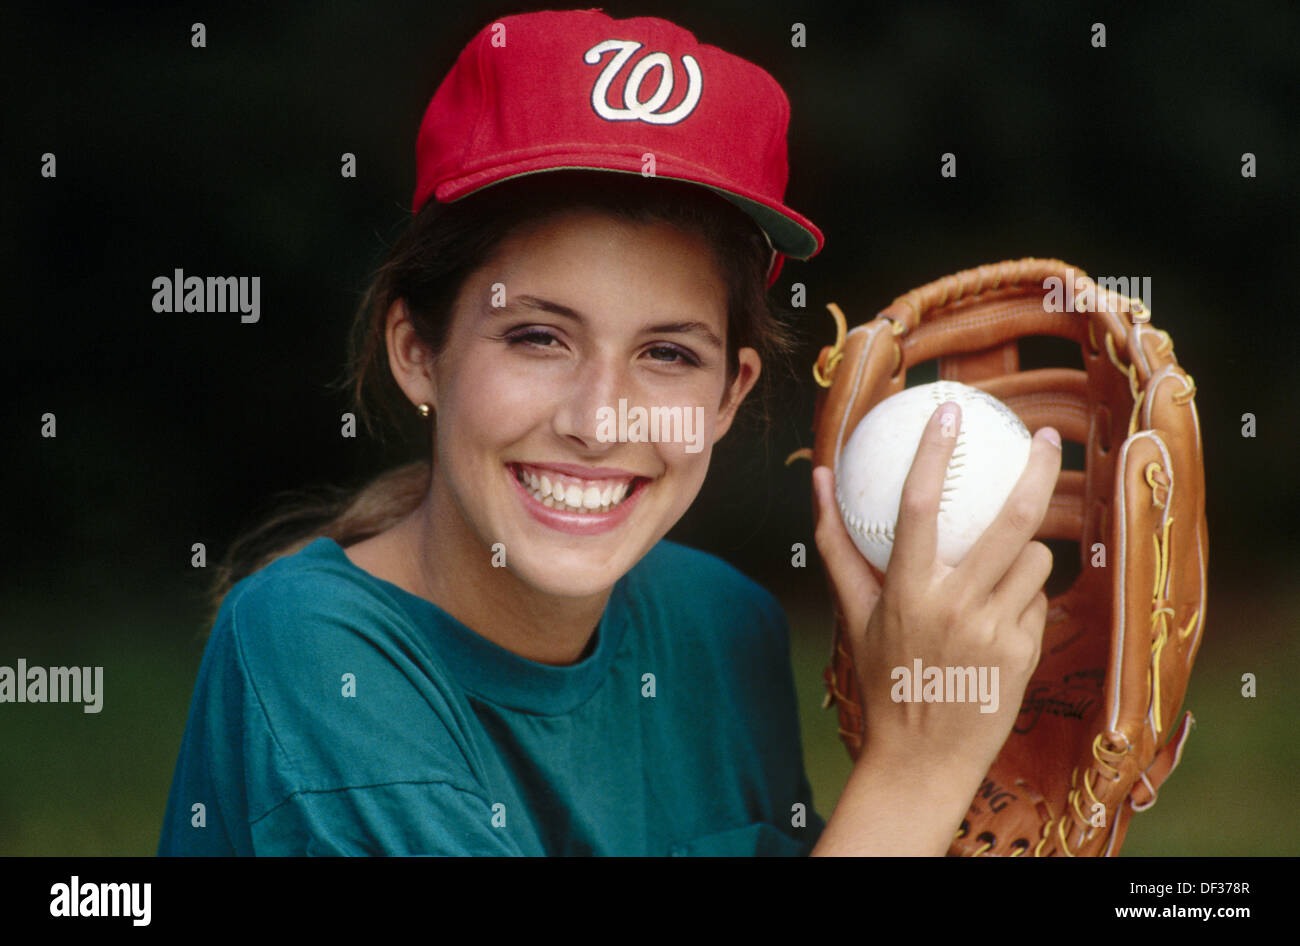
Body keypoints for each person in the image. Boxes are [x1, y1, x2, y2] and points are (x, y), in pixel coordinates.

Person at [157, 9, 1061, 857]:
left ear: (729, 394)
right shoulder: (309, 651)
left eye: (667, 354)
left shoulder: (723, 626)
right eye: (539, 337)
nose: (598, 420)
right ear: (417, 349)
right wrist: (918, 767)